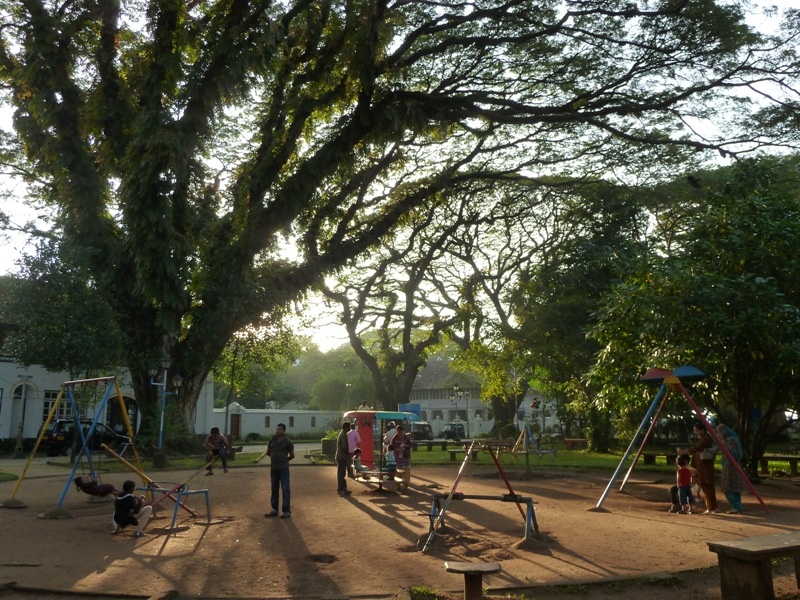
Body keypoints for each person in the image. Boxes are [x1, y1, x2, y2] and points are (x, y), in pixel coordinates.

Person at [679, 421, 718, 514]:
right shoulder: (705, 438)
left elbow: (696, 447)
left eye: (696, 430)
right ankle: (713, 507)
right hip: (703, 466)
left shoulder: (705, 439)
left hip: (705, 467)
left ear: (702, 430)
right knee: (707, 486)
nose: (695, 432)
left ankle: (711, 507)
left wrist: (685, 452)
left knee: (706, 485)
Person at [265, 423, 295, 518]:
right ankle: (274, 509)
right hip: (274, 468)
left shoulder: (288, 442)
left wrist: (284, 460)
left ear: (284, 431)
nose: (278, 430)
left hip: (283, 468)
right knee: (274, 488)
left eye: (280, 429)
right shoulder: (272, 440)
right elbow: (268, 452)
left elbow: (292, 455)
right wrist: (275, 458)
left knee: (285, 489)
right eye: (277, 429)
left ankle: (286, 511)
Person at [716, 423, 745, 514]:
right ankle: (737, 506)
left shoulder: (730, 441)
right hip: (733, 466)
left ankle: (736, 506)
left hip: (730, 467)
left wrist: (724, 446)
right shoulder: (734, 439)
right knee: (734, 487)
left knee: (728, 487)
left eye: (720, 433)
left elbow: (734, 454)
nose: (719, 435)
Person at [335, 422, 352, 496]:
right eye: (349, 427)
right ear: (347, 427)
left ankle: (342, 488)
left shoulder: (341, 434)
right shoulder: (344, 435)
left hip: (339, 456)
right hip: (342, 456)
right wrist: (348, 454)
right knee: (342, 473)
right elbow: (344, 446)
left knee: (340, 473)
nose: (350, 429)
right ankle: (342, 489)